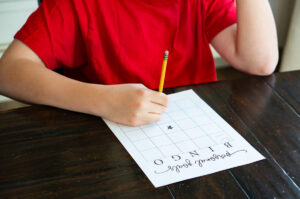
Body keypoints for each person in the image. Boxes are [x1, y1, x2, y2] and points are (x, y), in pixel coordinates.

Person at [0, 0, 278, 126]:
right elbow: (8, 72)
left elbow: (260, 62)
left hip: (187, 135)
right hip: (101, 137)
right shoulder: (77, 4)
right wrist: (102, 101)